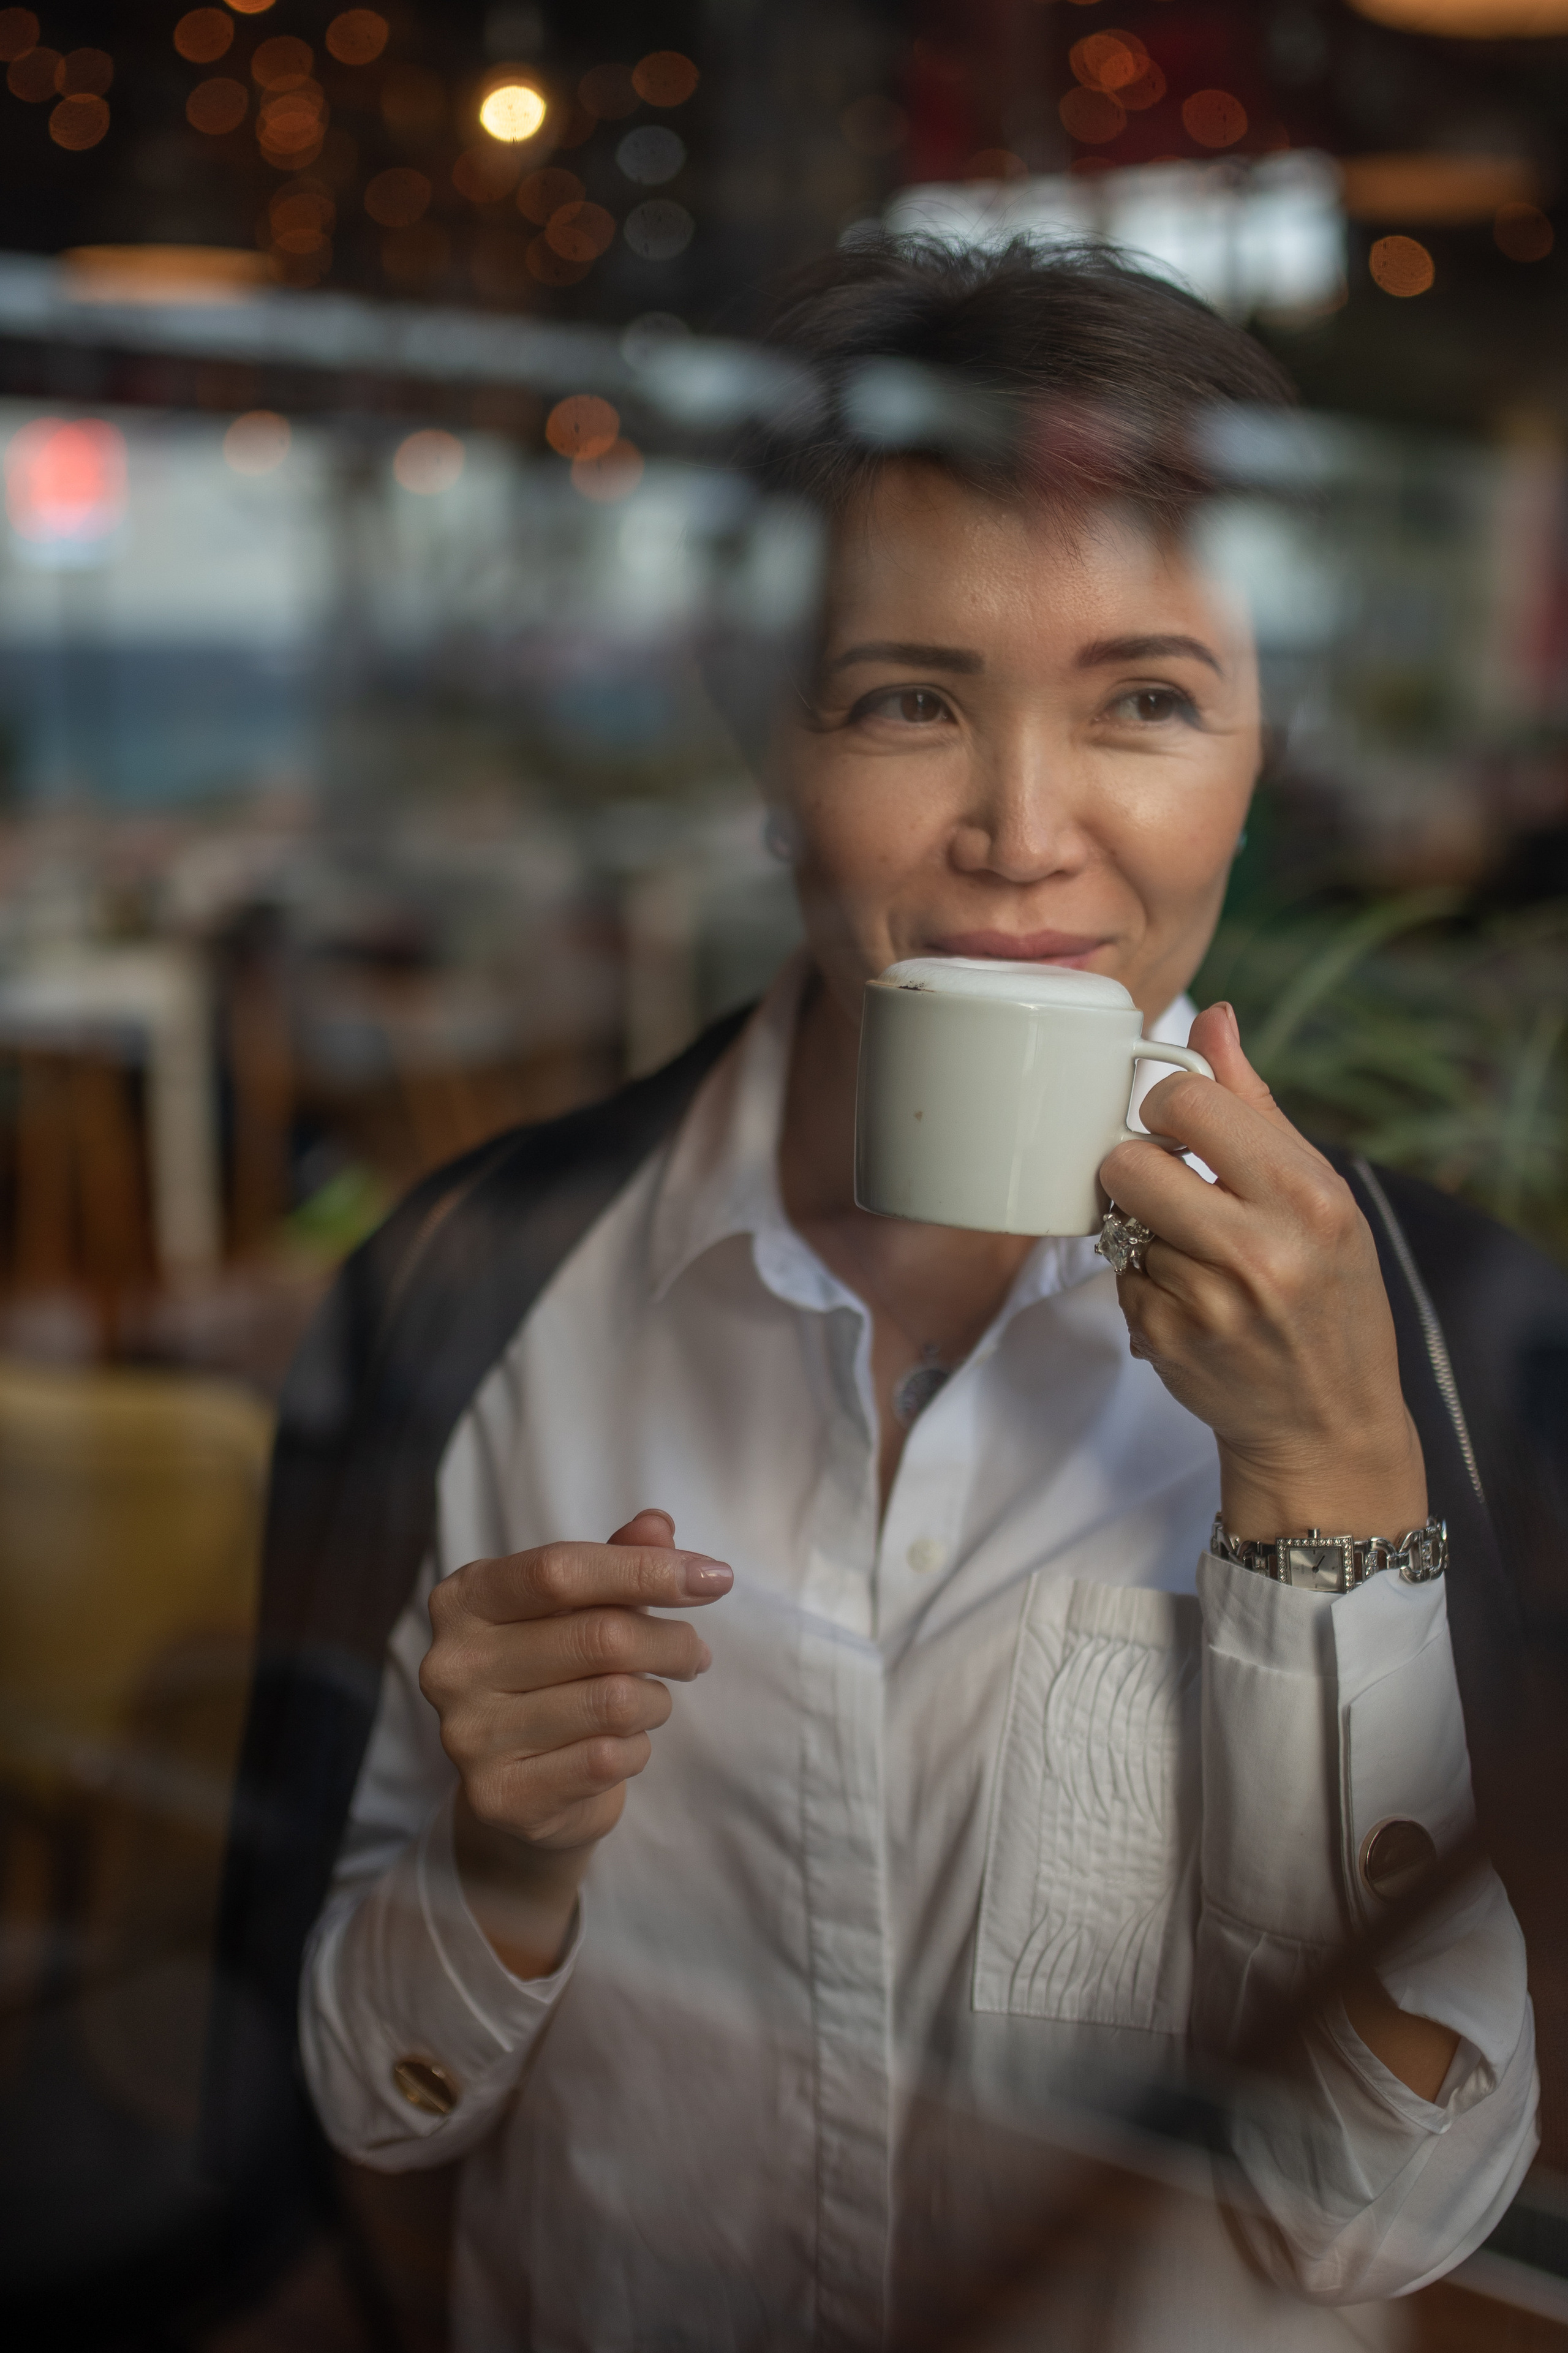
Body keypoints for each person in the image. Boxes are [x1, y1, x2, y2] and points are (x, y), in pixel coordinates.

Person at [219, 240, 1557, 2352]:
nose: (1022, 834)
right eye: (909, 699)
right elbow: (355, 2109)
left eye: (1146, 701)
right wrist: (500, 1868)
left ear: (1262, 749)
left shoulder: (1465, 1352)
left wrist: (1331, 1493)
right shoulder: (477, 1286)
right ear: (771, 745)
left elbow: (1375, 2224)